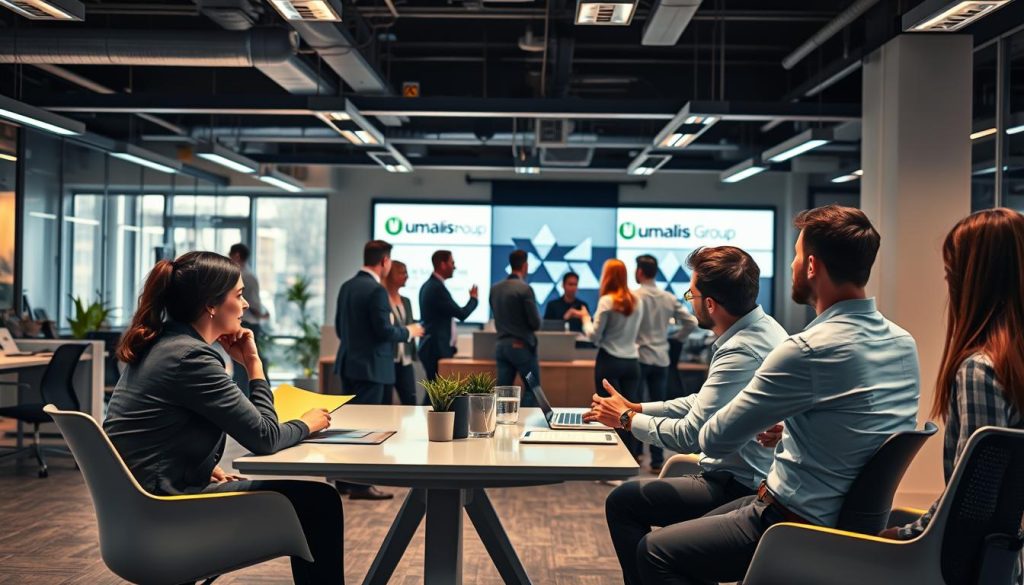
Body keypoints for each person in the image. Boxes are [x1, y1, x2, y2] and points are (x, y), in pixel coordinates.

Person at [632, 205, 921, 584]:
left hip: (792, 523)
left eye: (798, 257)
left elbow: (713, 440)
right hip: (852, 525)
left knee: (654, 552)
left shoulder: (806, 350)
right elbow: (863, 426)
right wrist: (793, 426)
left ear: (812, 267)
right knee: (690, 535)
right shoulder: (903, 344)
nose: (792, 266)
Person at [104, 251, 342, 585]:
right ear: (211, 305)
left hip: (142, 507)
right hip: (165, 511)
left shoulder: (161, 345)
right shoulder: (191, 358)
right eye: (239, 295)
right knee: (320, 502)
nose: (245, 306)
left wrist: (200, 467)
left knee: (311, 500)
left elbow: (153, 431)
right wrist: (259, 370)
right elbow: (265, 438)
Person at [587, 246, 786, 585]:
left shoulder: (741, 350)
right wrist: (640, 408)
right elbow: (703, 402)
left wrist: (625, 420)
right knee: (627, 502)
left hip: (740, 483)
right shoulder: (763, 330)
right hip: (741, 474)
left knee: (624, 504)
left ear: (710, 304)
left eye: (691, 294)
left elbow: (690, 434)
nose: (689, 300)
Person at [883, 208, 1024, 541]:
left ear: (973, 280)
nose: (947, 281)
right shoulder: (1012, 363)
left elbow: (973, 500)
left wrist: (906, 534)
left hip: (963, 564)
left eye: (951, 272)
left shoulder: (981, 370)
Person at [334, 240, 424, 500]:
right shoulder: (375, 291)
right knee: (368, 429)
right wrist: (409, 331)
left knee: (349, 427)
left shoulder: (347, 286)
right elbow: (384, 331)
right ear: (385, 261)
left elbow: (340, 329)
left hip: (349, 364)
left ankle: (344, 481)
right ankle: (362, 486)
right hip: (373, 368)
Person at [631, 254, 698, 472]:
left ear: (640, 272)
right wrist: (675, 338)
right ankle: (658, 460)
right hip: (661, 358)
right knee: (658, 409)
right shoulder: (667, 298)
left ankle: (636, 455)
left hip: (639, 357)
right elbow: (691, 321)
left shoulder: (633, 296)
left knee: (636, 407)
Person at [580, 259, 645, 458]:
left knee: (609, 414)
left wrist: (584, 318)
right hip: (632, 363)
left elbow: (593, 336)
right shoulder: (637, 301)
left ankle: (612, 462)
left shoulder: (607, 301)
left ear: (607, 276)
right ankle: (630, 458)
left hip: (610, 362)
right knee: (629, 414)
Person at [418, 250, 478, 389]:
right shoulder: (436, 288)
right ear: (443, 264)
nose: (454, 267)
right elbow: (461, 314)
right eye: (452, 263)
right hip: (435, 349)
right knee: (437, 393)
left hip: (432, 347)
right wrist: (474, 300)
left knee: (436, 392)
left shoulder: (430, 285)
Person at [490, 249, 542, 407]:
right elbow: (535, 323)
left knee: (502, 393)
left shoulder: (495, 288)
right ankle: (528, 425)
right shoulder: (524, 289)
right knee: (533, 389)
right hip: (521, 347)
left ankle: (500, 426)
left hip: (501, 346)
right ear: (525, 266)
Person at [228, 243, 268, 397]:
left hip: (247, 322)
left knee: (244, 365)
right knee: (248, 363)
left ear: (237, 255)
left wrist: (260, 313)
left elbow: (251, 303)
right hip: (250, 322)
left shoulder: (243, 276)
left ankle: (244, 400)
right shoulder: (248, 274)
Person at [385, 260, 418, 406]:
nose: (406, 276)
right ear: (390, 275)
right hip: (387, 359)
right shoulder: (381, 299)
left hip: (405, 359)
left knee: (410, 400)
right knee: (384, 402)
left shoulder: (407, 301)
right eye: (402, 272)